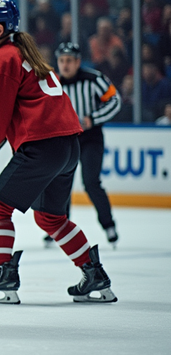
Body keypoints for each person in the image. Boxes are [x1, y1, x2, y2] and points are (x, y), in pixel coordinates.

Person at [0, 0, 116, 305]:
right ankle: (94, 275)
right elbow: (17, 112)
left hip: (43, 147)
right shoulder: (23, 54)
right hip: (68, 146)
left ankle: (4, 277)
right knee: (50, 217)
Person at [55, 42, 121, 247]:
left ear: (77, 62)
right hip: (66, 139)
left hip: (91, 138)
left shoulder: (94, 78)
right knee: (61, 184)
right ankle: (58, 228)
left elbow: (115, 100)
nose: (65, 65)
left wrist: (93, 118)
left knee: (91, 182)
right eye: (61, 61)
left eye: (69, 61)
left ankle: (108, 225)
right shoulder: (53, 82)